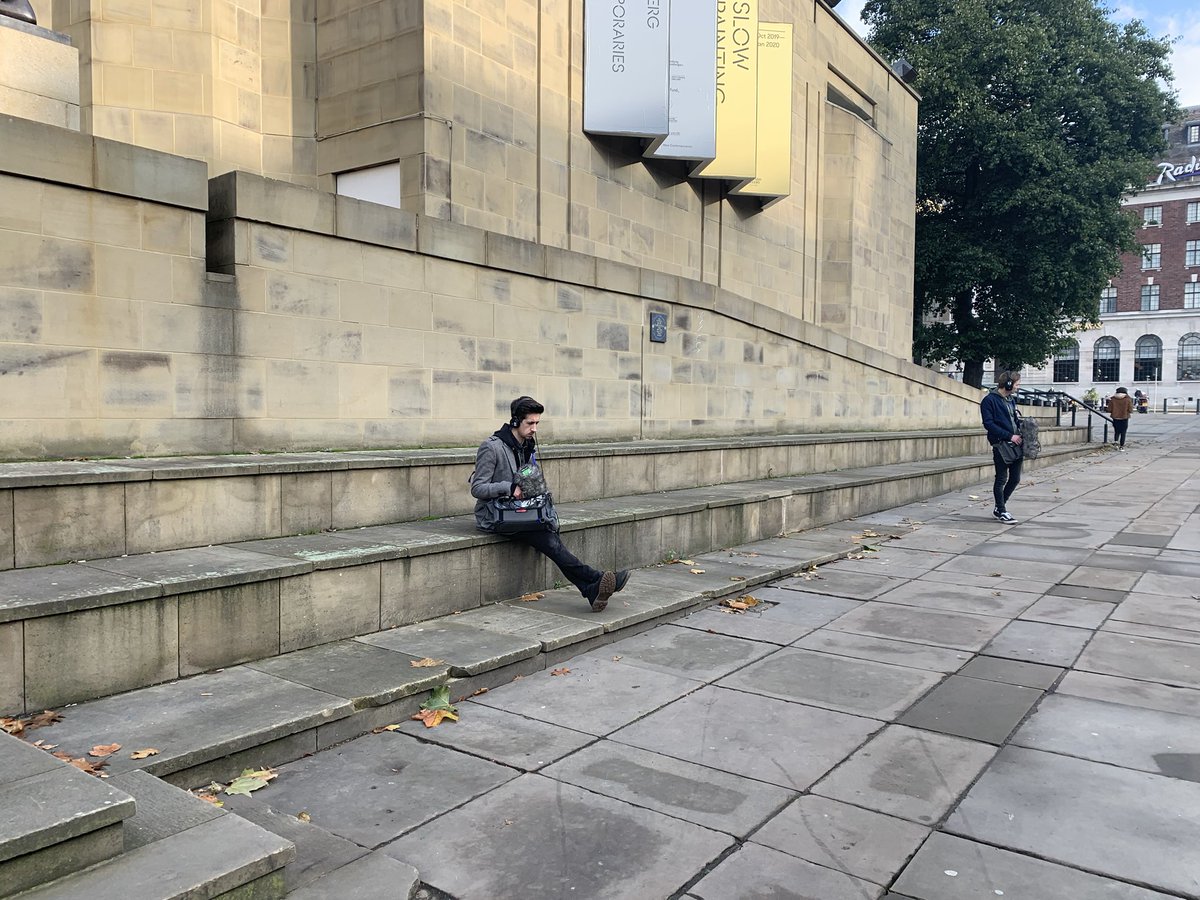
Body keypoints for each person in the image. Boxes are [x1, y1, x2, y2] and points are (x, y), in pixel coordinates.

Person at [470, 396, 630, 611]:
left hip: (521, 512)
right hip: (496, 515)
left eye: (537, 423)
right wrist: (509, 488)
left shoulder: (527, 446)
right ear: (516, 422)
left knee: (548, 532)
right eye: (530, 423)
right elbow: (477, 488)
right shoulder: (491, 447)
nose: (534, 429)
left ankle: (592, 588)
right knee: (548, 539)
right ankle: (594, 579)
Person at [980, 371, 1024, 524]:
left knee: (1015, 478)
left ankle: (1000, 507)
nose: (1018, 387)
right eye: (1017, 384)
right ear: (1009, 384)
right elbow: (988, 424)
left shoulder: (1011, 400)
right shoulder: (989, 401)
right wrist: (1009, 436)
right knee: (1001, 479)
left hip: (1016, 444)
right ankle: (1002, 510)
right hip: (1001, 444)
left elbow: (1014, 420)